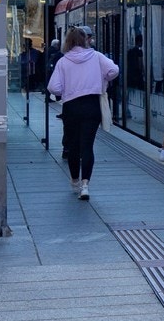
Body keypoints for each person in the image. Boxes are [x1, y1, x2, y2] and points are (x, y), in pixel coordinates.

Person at [47, 26, 119, 200]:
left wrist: (64, 92)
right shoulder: (97, 57)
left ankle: (74, 180)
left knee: (73, 146)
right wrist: (102, 79)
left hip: (71, 107)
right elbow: (114, 70)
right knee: (87, 146)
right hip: (92, 105)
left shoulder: (63, 61)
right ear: (85, 40)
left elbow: (53, 87)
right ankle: (85, 185)